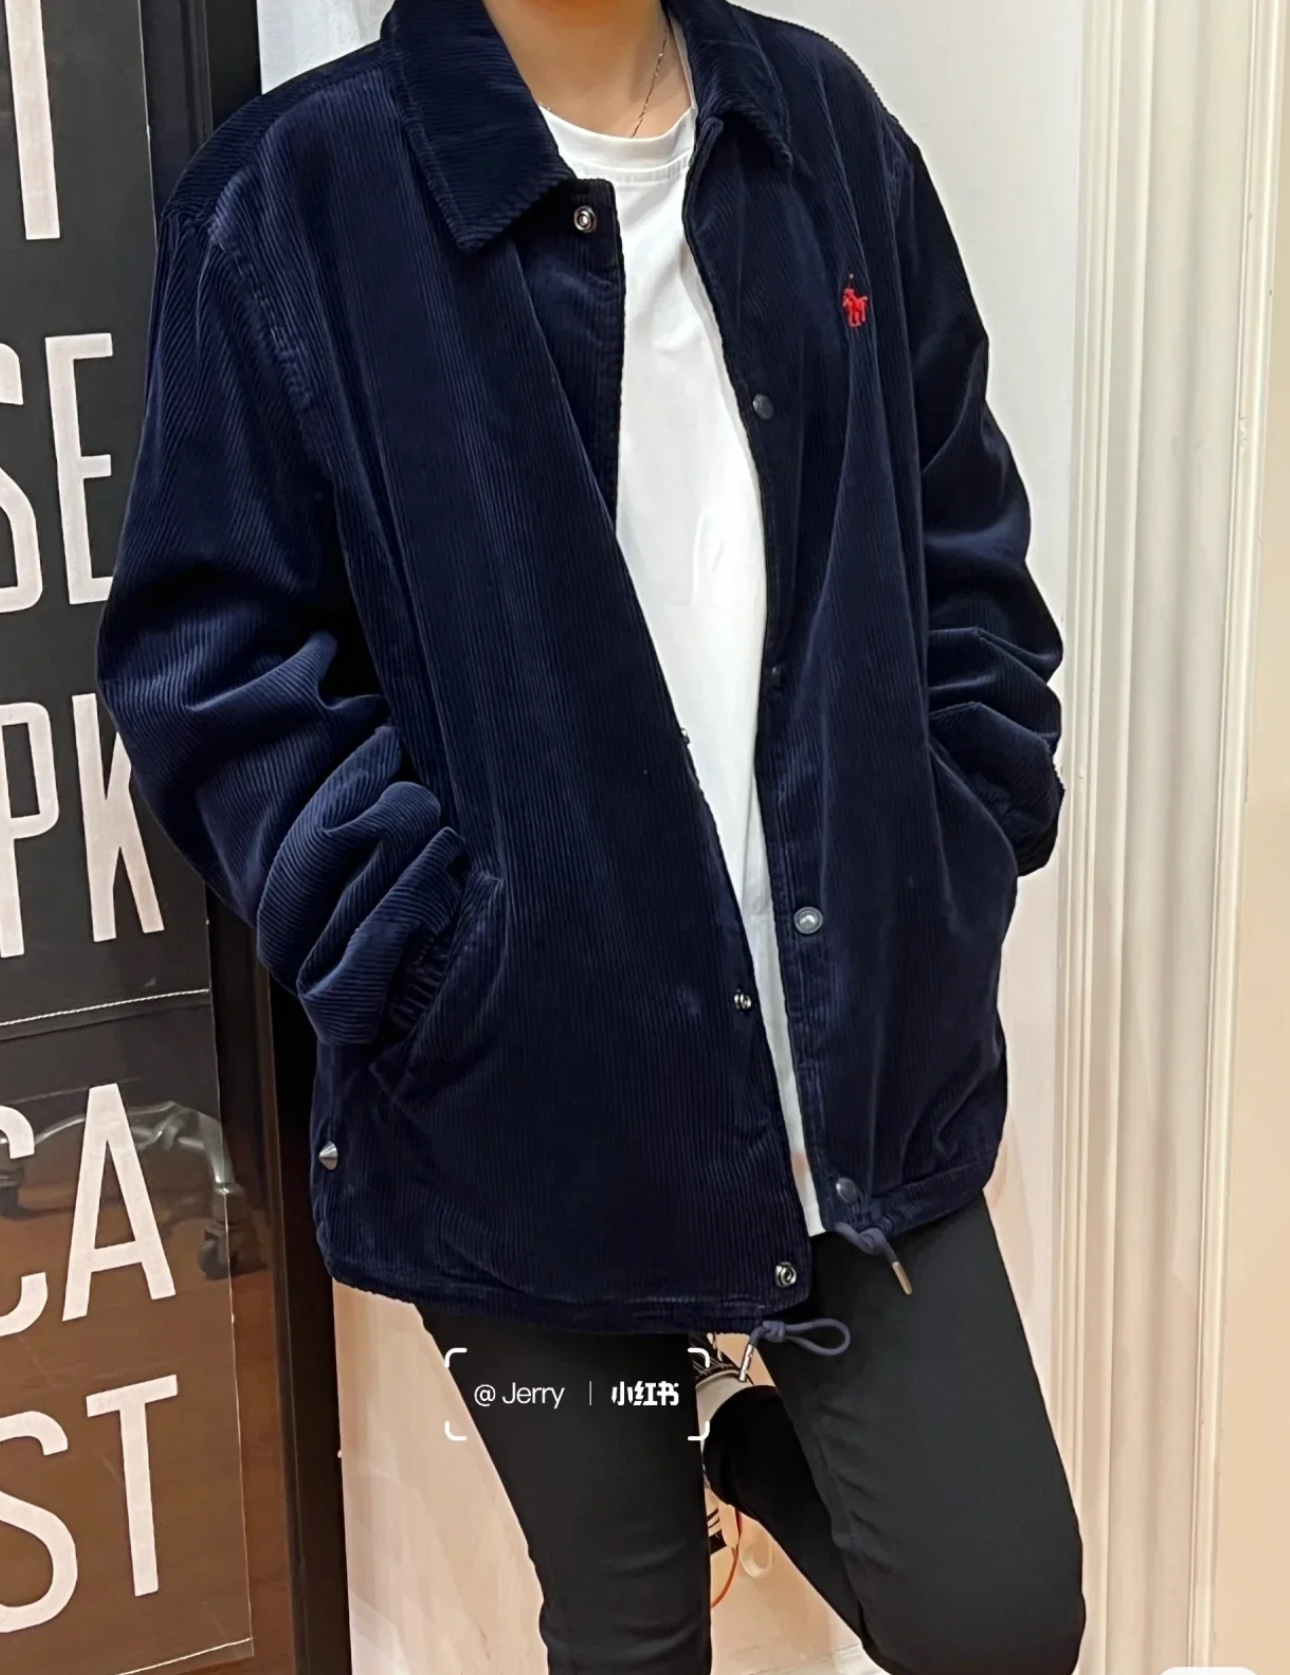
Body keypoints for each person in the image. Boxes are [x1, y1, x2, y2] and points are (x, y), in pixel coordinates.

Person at [97, 0, 1083, 1670]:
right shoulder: (297, 196)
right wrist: (436, 971)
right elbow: (216, 671)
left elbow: (961, 548)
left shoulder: (823, 129)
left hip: (853, 1073)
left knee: (998, 1618)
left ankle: (749, 1444)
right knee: (629, 1625)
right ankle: (677, 1446)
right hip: (527, 1115)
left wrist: (956, 850)